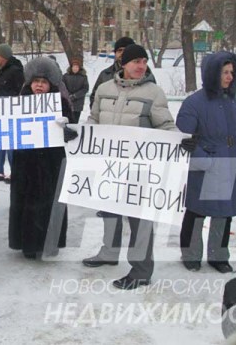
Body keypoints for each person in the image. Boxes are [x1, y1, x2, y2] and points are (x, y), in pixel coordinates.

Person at [82, 43, 182, 290]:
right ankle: (108, 253)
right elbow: (94, 119)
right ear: (123, 64)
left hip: (139, 169)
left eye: (144, 61)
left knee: (140, 219)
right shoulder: (104, 89)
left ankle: (141, 270)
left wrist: (181, 141)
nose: (141, 66)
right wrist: (79, 136)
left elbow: (166, 125)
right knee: (109, 211)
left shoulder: (153, 92)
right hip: (109, 164)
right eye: (136, 61)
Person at [177, 51, 236, 273]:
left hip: (232, 164)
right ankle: (191, 254)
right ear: (212, 73)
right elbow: (183, 138)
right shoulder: (193, 103)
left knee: (224, 213)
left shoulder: (232, 101)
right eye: (224, 72)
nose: (230, 76)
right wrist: (205, 161)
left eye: (232, 72)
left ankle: (218, 256)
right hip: (207, 168)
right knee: (197, 212)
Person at [8, 57, 73, 259]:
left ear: (50, 84)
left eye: (44, 82)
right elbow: (6, 127)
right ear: (29, 82)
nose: (39, 85)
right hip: (25, 161)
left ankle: (50, 242)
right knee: (25, 203)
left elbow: (73, 133)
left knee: (50, 202)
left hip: (51, 162)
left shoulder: (60, 102)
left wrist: (66, 126)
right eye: (36, 81)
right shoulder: (19, 102)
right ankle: (27, 243)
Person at [0, 44, 24, 182]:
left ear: (4, 56)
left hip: (11, 111)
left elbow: (19, 91)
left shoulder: (15, 70)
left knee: (11, 143)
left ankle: (15, 171)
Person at [90, 37, 132, 109]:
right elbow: (95, 98)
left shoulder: (143, 75)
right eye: (119, 50)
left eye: (126, 50)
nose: (122, 53)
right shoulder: (105, 74)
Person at [62, 57, 89, 123]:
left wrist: (75, 96)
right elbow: (62, 87)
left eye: (77, 67)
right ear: (71, 67)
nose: (75, 68)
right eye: (74, 67)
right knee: (66, 120)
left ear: (79, 68)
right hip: (67, 102)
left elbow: (85, 88)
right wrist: (68, 95)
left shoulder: (83, 77)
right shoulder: (65, 76)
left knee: (75, 121)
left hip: (78, 103)